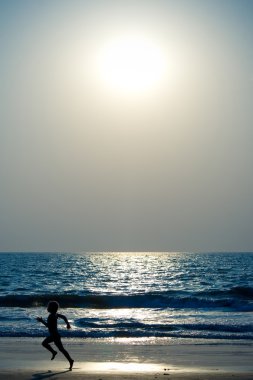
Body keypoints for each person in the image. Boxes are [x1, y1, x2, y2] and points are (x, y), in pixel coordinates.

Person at [36, 300, 74, 370]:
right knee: (59, 348)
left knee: (49, 345)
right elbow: (64, 317)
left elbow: (49, 326)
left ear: (51, 308)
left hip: (55, 336)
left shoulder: (51, 316)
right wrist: (67, 324)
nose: (47, 308)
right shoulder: (55, 314)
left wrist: (41, 321)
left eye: (48, 306)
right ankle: (56, 353)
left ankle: (68, 359)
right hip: (55, 335)